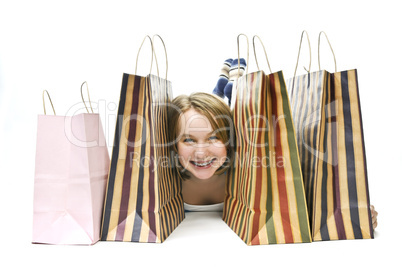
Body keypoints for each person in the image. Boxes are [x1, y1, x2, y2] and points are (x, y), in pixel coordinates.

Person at [168, 92, 378, 229]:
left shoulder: (251, 172)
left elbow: (304, 200)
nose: (201, 152)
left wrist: (351, 211)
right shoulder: (165, 181)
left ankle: (228, 83)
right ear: (173, 144)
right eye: (188, 140)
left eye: (214, 137)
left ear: (231, 141)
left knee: (228, 97)